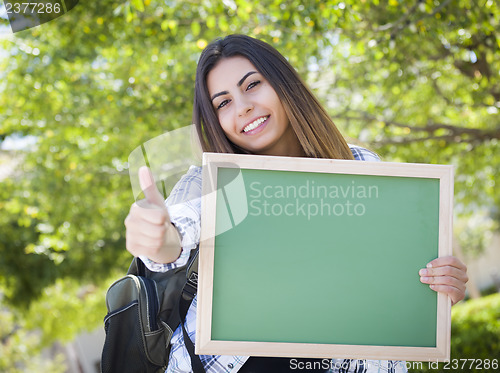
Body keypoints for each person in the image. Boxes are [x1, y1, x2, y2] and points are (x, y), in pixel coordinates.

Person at [124, 34, 468, 373]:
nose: (242, 107)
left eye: (252, 85)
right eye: (223, 102)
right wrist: (161, 238)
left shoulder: (361, 166)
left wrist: (439, 289)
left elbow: (399, 278)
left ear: (283, 83)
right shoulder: (211, 183)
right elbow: (180, 230)